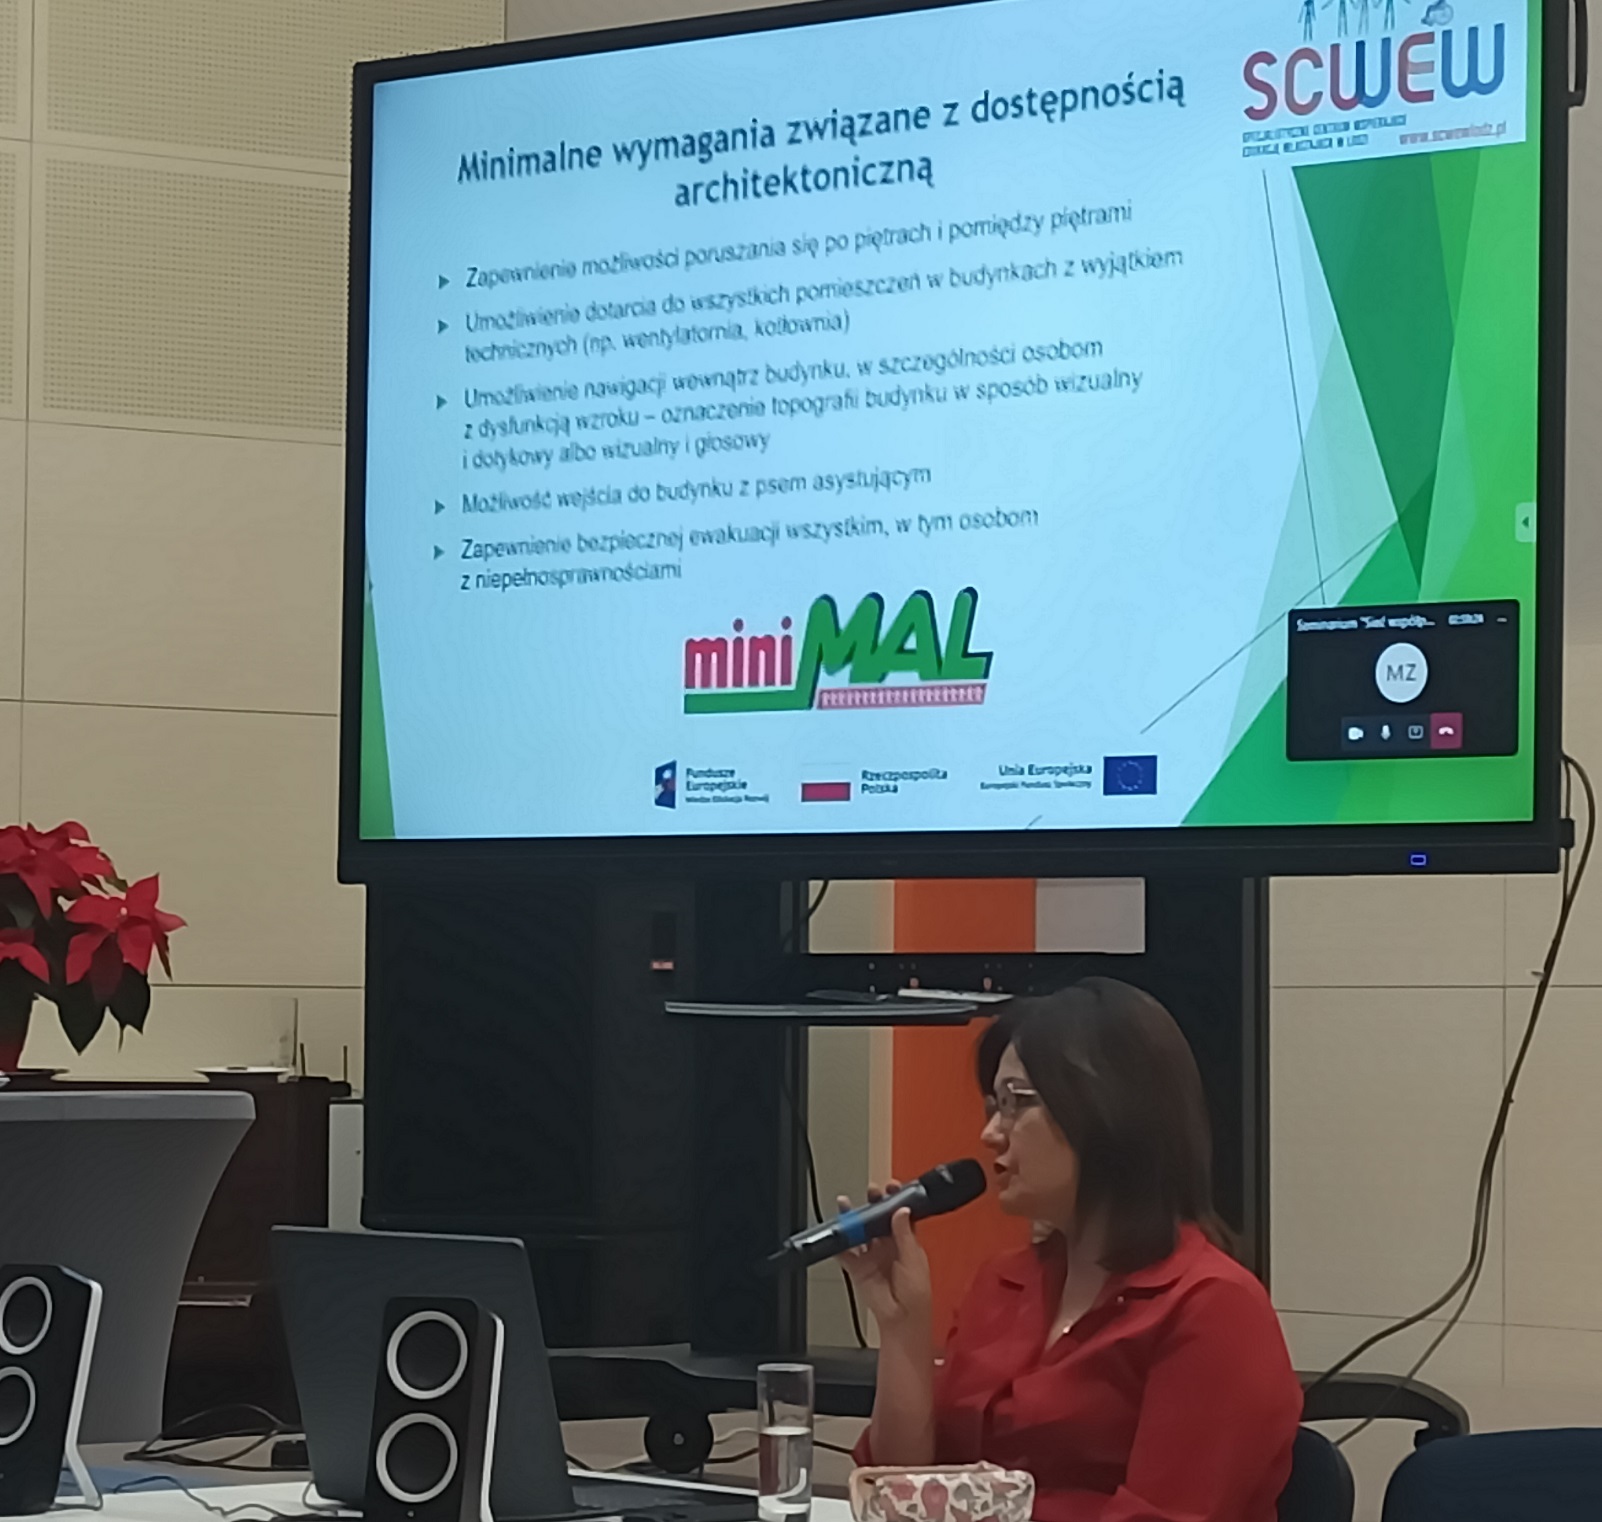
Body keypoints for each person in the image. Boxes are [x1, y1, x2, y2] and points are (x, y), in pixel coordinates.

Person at [843, 978, 1302, 1522]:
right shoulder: (1003, 1284)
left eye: (1015, 1103)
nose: (991, 1133)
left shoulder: (1212, 1306)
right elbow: (903, 1494)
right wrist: (902, 1325)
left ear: (1104, 1108)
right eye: (993, 1105)